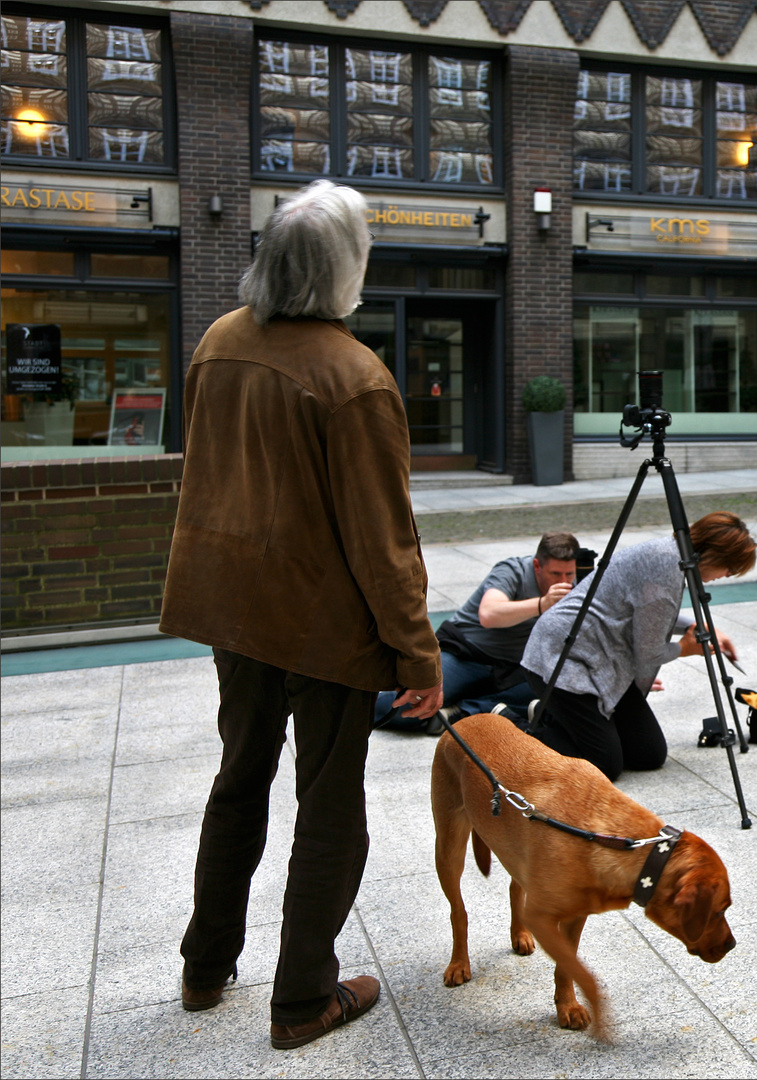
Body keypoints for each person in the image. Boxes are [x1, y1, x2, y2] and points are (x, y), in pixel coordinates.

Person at [159, 179, 442, 1049]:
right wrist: (419, 656)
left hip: (231, 607)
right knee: (329, 806)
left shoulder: (219, 340)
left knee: (238, 782)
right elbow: (382, 541)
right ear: (344, 269)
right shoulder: (353, 377)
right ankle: (302, 1000)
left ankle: (205, 970)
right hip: (322, 625)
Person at [520, 511, 756, 781]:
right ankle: (523, 726)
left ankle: (570, 721)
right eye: (730, 568)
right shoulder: (666, 569)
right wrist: (685, 648)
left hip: (603, 660)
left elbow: (650, 611)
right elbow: (648, 655)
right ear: (713, 555)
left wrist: (696, 626)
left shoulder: (671, 553)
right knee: (604, 765)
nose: (727, 575)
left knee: (648, 755)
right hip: (561, 659)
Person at [373, 532, 579, 733]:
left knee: (565, 687)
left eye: (569, 574)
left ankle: (463, 711)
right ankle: (363, 706)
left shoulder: (576, 585)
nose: (563, 581)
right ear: (537, 566)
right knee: (409, 708)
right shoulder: (512, 571)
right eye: (555, 574)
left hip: (512, 667)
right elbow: (489, 614)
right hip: (467, 654)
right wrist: (542, 604)